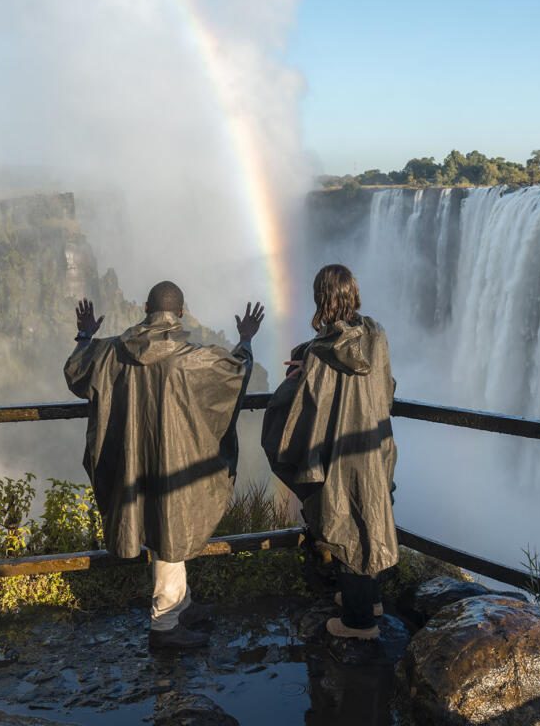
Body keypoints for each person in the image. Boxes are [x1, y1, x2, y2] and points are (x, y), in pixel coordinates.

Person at [64, 281, 264, 650]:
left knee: (165, 527)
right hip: (174, 460)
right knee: (170, 526)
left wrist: (85, 334)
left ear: (144, 308)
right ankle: (165, 626)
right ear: (181, 313)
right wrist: (247, 338)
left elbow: (76, 373)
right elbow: (236, 372)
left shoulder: (111, 352)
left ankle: (182, 604)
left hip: (132, 462)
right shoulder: (192, 357)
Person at [261, 264, 397, 640]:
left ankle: (358, 624)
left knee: (345, 522)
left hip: (339, 450)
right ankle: (370, 600)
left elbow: (306, 408)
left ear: (323, 298)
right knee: (368, 514)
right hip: (375, 443)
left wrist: (298, 376)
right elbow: (386, 386)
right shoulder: (377, 335)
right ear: (353, 293)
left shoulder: (321, 350)